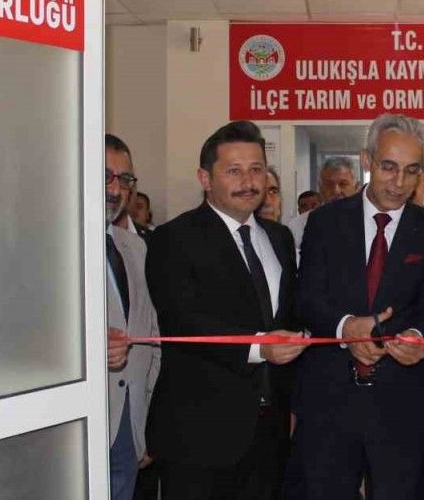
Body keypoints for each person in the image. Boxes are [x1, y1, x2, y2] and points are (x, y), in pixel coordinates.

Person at [286, 114, 424, 500]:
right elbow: (306, 299)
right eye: (388, 167)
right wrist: (346, 328)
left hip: (402, 403)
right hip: (329, 399)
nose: (399, 182)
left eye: (411, 170)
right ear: (367, 160)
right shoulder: (325, 222)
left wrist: (418, 338)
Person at [145, 121, 305, 500]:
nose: (248, 181)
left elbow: (288, 317)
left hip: (270, 432)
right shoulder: (174, 239)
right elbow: (183, 321)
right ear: (205, 178)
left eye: (256, 169)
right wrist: (261, 347)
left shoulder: (280, 238)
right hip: (199, 436)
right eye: (234, 171)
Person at [105, 134, 160, 500]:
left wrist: (147, 425)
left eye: (124, 179)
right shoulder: (49, 244)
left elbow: (153, 340)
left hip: (129, 426)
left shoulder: (136, 247)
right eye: (105, 176)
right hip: (77, 424)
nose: (115, 189)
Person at [289, 157, 359, 264]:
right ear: (320, 188)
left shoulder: (368, 220)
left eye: (343, 184)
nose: (336, 191)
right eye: (329, 185)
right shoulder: (299, 225)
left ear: (357, 188)